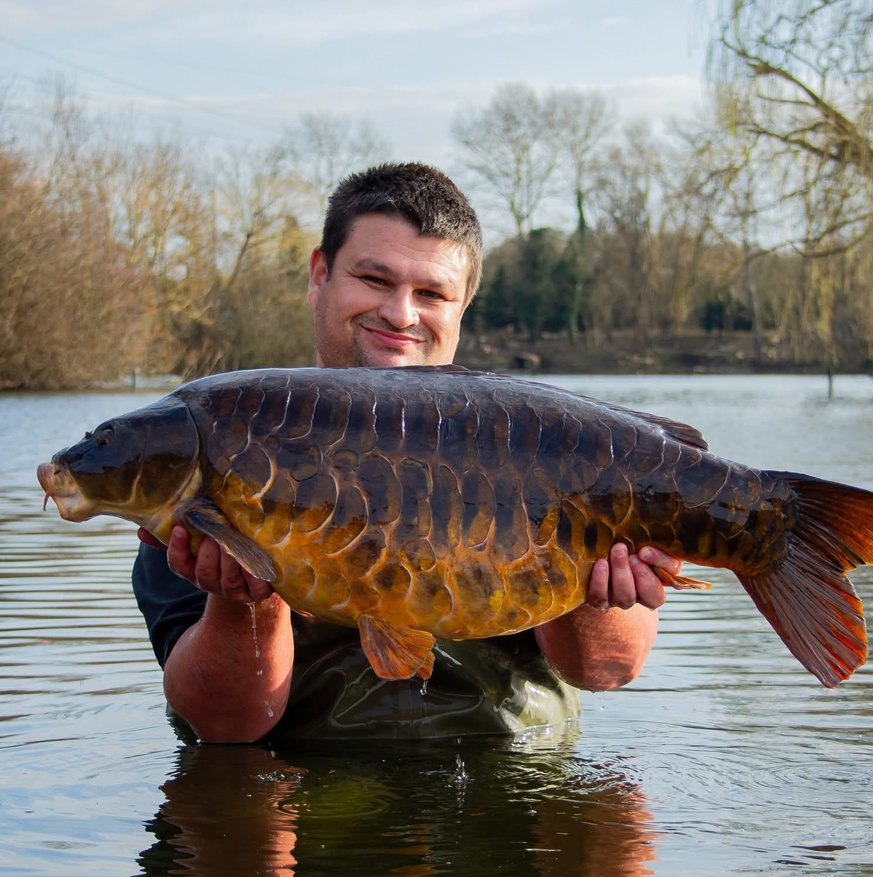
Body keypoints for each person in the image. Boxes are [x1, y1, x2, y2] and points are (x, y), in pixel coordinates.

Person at [133, 163, 682, 744]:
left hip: (518, 782)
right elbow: (224, 724)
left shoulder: (536, 442)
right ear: (320, 274)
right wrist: (244, 600)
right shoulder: (228, 444)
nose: (400, 314)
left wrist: (594, 585)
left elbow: (608, 669)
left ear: (462, 305)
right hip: (294, 790)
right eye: (374, 280)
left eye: (431, 293)